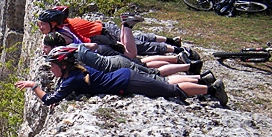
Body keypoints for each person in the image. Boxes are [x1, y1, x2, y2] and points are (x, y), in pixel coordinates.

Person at [16, 46, 228, 106]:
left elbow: (50, 99)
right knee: (162, 82)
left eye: (53, 66)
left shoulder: (72, 78)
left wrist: (34, 86)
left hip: (127, 81)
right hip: (125, 75)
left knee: (172, 91)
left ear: (63, 65)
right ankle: (203, 79)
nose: (51, 70)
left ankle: (212, 89)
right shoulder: (74, 70)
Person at [42, 32, 207, 79]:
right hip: (109, 58)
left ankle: (188, 65)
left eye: (46, 48)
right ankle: (185, 63)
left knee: (154, 73)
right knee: (144, 64)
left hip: (115, 64)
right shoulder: (72, 47)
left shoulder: (69, 56)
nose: (44, 51)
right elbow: (92, 46)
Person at [36, 6, 181, 58]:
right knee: (135, 39)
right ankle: (171, 41)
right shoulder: (66, 24)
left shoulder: (63, 31)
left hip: (101, 36)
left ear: (53, 23)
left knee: (135, 48)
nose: (40, 27)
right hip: (102, 29)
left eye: (42, 24)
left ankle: (175, 48)